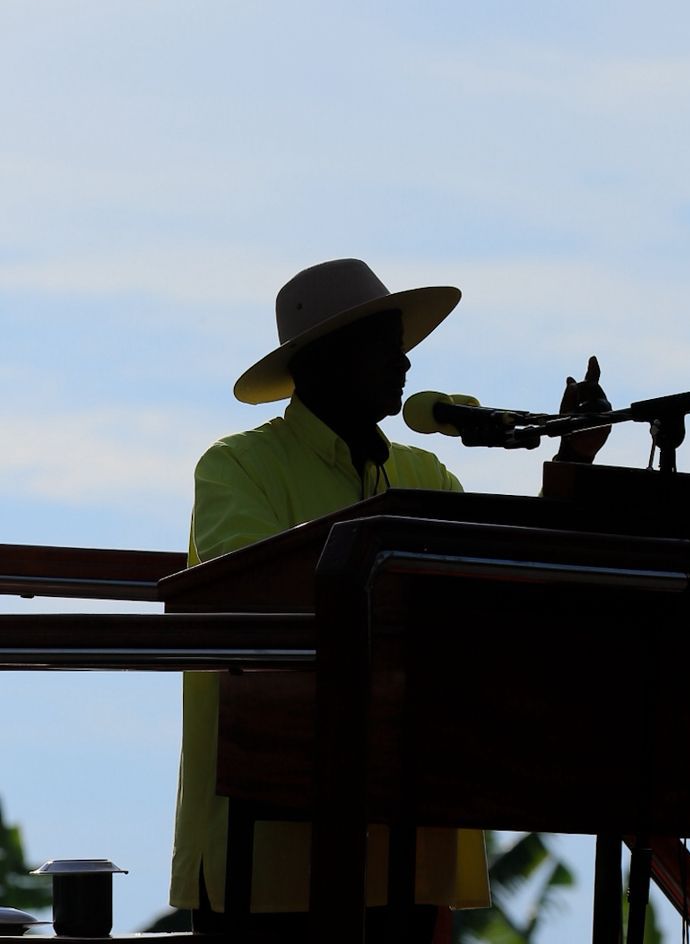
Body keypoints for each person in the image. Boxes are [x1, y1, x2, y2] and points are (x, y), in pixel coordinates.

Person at [169, 258, 608, 940]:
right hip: (272, 847)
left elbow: (510, 578)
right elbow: (251, 594)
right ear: (318, 363)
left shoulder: (421, 472)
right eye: (382, 344)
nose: (404, 365)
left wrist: (571, 465)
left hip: (406, 831)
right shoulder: (235, 466)